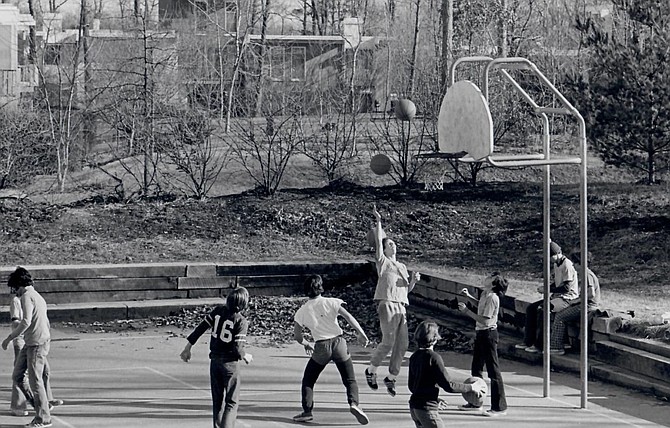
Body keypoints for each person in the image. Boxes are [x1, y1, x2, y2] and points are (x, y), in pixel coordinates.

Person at [292, 275, 370, 425]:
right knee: (350, 379)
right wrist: (362, 333)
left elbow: (297, 336)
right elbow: (348, 317)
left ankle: (307, 411)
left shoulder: (302, 311)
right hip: (339, 343)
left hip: (321, 346)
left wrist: (307, 343)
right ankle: (354, 404)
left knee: (309, 380)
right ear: (321, 287)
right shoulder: (331, 302)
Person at [365, 205, 421, 397]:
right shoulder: (383, 262)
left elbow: (406, 291)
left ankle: (391, 377)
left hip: (401, 307)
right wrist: (378, 220)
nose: (392, 245)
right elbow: (379, 244)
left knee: (402, 345)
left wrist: (412, 281)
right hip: (387, 302)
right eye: (389, 244)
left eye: (393, 244)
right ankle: (371, 370)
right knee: (388, 341)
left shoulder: (402, 266)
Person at [180, 286, 253, 428]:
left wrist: (188, 347)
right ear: (243, 305)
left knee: (217, 400)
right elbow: (237, 348)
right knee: (231, 402)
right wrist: (245, 356)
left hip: (214, 362)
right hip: (230, 365)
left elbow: (200, 328)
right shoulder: (241, 321)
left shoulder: (218, 311)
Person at [1, 267, 53, 428]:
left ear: (19, 285)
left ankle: (43, 418)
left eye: (14, 288)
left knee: (35, 380)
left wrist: (9, 338)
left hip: (36, 343)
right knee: (17, 376)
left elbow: (26, 321)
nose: (14, 292)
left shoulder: (27, 296)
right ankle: (39, 405)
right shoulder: (37, 296)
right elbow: (46, 321)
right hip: (32, 342)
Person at [408, 321, 486, 428]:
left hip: (414, 408)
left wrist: (434, 399)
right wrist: (471, 387)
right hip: (426, 410)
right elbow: (449, 385)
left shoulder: (414, 356)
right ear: (435, 339)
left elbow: (412, 387)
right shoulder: (434, 358)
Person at [458, 273, 509, 417]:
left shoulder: (493, 298)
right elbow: (480, 306)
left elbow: (485, 321)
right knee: (476, 367)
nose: (485, 278)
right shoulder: (485, 294)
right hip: (481, 334)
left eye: (490, 278)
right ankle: (475, 401)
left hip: (488, 334)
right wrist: (469, 297)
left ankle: (499, 407)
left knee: (493, 370)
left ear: (493, 284)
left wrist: (466, 311)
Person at [515, 241, 579, 353]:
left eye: (550, 256)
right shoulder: (556, 264)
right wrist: (547, 287)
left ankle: (540, 344)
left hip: (568, 298)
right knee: (531, 308)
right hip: (557, 296)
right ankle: (528, 340)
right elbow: (557, 283)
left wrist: (548, 290)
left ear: (557, 254)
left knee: (543, 310)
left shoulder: (567, 265)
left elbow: (567, 288)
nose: (549, 259)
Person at [549, 251, 601, 355]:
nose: (573, 265)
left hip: (588, 306)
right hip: (583, 304)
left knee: (560, 316)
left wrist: (577, 300)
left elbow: (591, 294)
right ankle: (565, 342)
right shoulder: (585, 274)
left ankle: (557, 347)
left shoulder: (587, 274)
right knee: (560, 311)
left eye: (575, 263)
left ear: (581, 263)